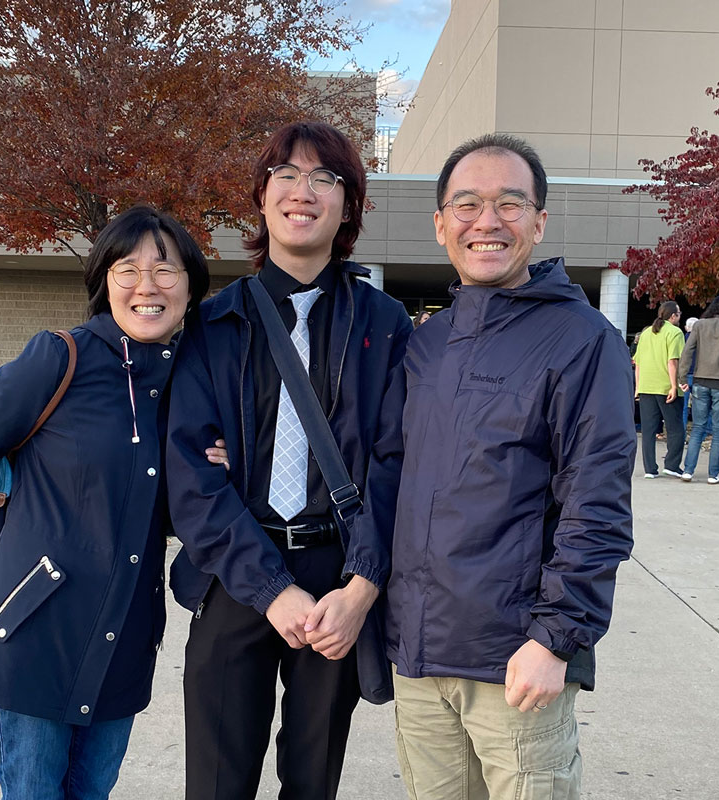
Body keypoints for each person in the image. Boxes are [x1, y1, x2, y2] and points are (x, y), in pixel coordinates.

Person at [0, 206, 213, 800]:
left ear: (191, 286)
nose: (148, 286)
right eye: (128, 269)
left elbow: (167, 510)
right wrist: (13, 542)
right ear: (104, 281)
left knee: (92, 791)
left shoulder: (192, 382)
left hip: (127, 631)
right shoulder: (59, 358)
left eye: (166, 269)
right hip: (40, 627)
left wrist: (218, 472)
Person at [165, 121, 413, 800]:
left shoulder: (384, 325)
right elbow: (192, 475)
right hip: (235, 572)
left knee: (312, 783)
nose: (303, 191)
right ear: (262, 195)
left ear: (349, 204)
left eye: (325, 178)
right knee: (216, 785)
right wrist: (270, 590)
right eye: (286, 174)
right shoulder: (212, 325)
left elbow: (394, 462)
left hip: (338, 578)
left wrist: (362, 588)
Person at [386, 133, 636, 800]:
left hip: (515, 663)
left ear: (540, 221)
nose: (487, 222)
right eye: (466, 204)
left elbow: (598, 505)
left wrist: (556, 640)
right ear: (441, 223)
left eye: (509, 203)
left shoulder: (585, 342)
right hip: (416, 658)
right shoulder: (429, 343)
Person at [677, 295, 719, 483]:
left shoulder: (699, 326)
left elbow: (687, 351)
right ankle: (713, 474)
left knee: (697, 427)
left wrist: (682, 377)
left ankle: (688, 470)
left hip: (699, 380)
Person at [635, 301, 685, 477]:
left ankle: (650, 469)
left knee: (648, 430)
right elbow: (673, 361)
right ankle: (671, 464)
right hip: (665, 386)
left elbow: (638, 362)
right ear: (673, 316)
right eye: (679, 313)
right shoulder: (675, 333)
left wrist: (637, 386)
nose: (680, 316)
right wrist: (674, 386)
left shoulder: (647, 332)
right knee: (675, 428)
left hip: (646, 385)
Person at [681, 316, 698, 428]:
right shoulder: (702, 340)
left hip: (685, 375)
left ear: (686, 327)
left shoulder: (681, 339)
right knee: (700, 406)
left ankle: (682, 427)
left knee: (683, 405)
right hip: (698, 375)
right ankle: (703, 430)